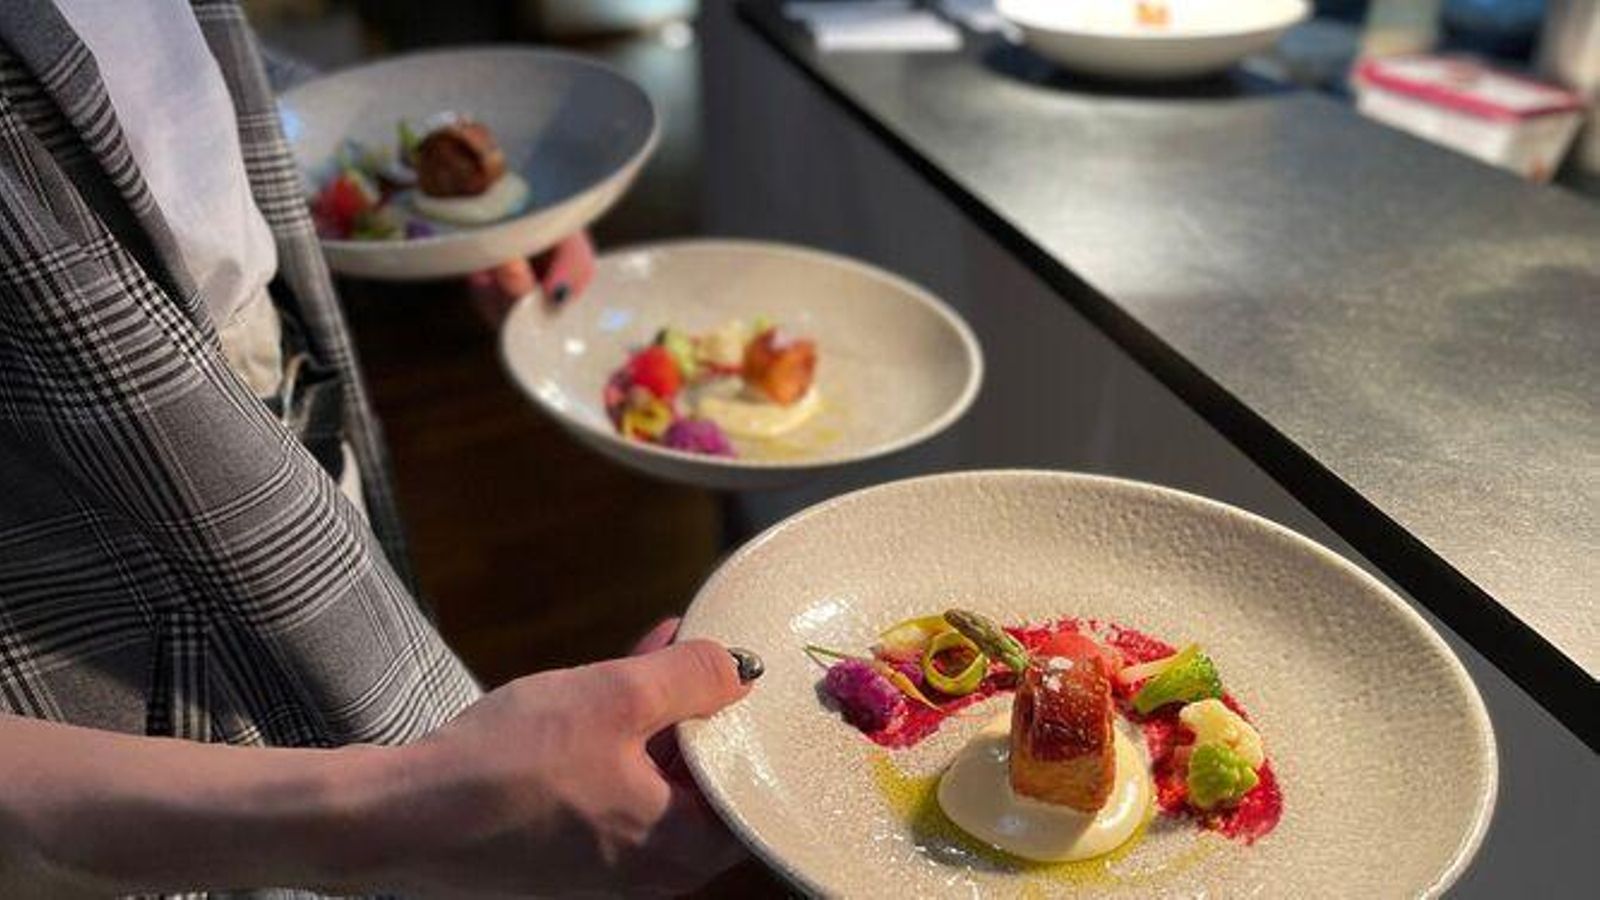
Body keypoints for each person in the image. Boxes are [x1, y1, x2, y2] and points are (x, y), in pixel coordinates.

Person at [0, 1, 756, 896]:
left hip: (295, 473)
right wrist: (398, 812)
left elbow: (151, 71)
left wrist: (464, 198)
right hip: (99, 677)